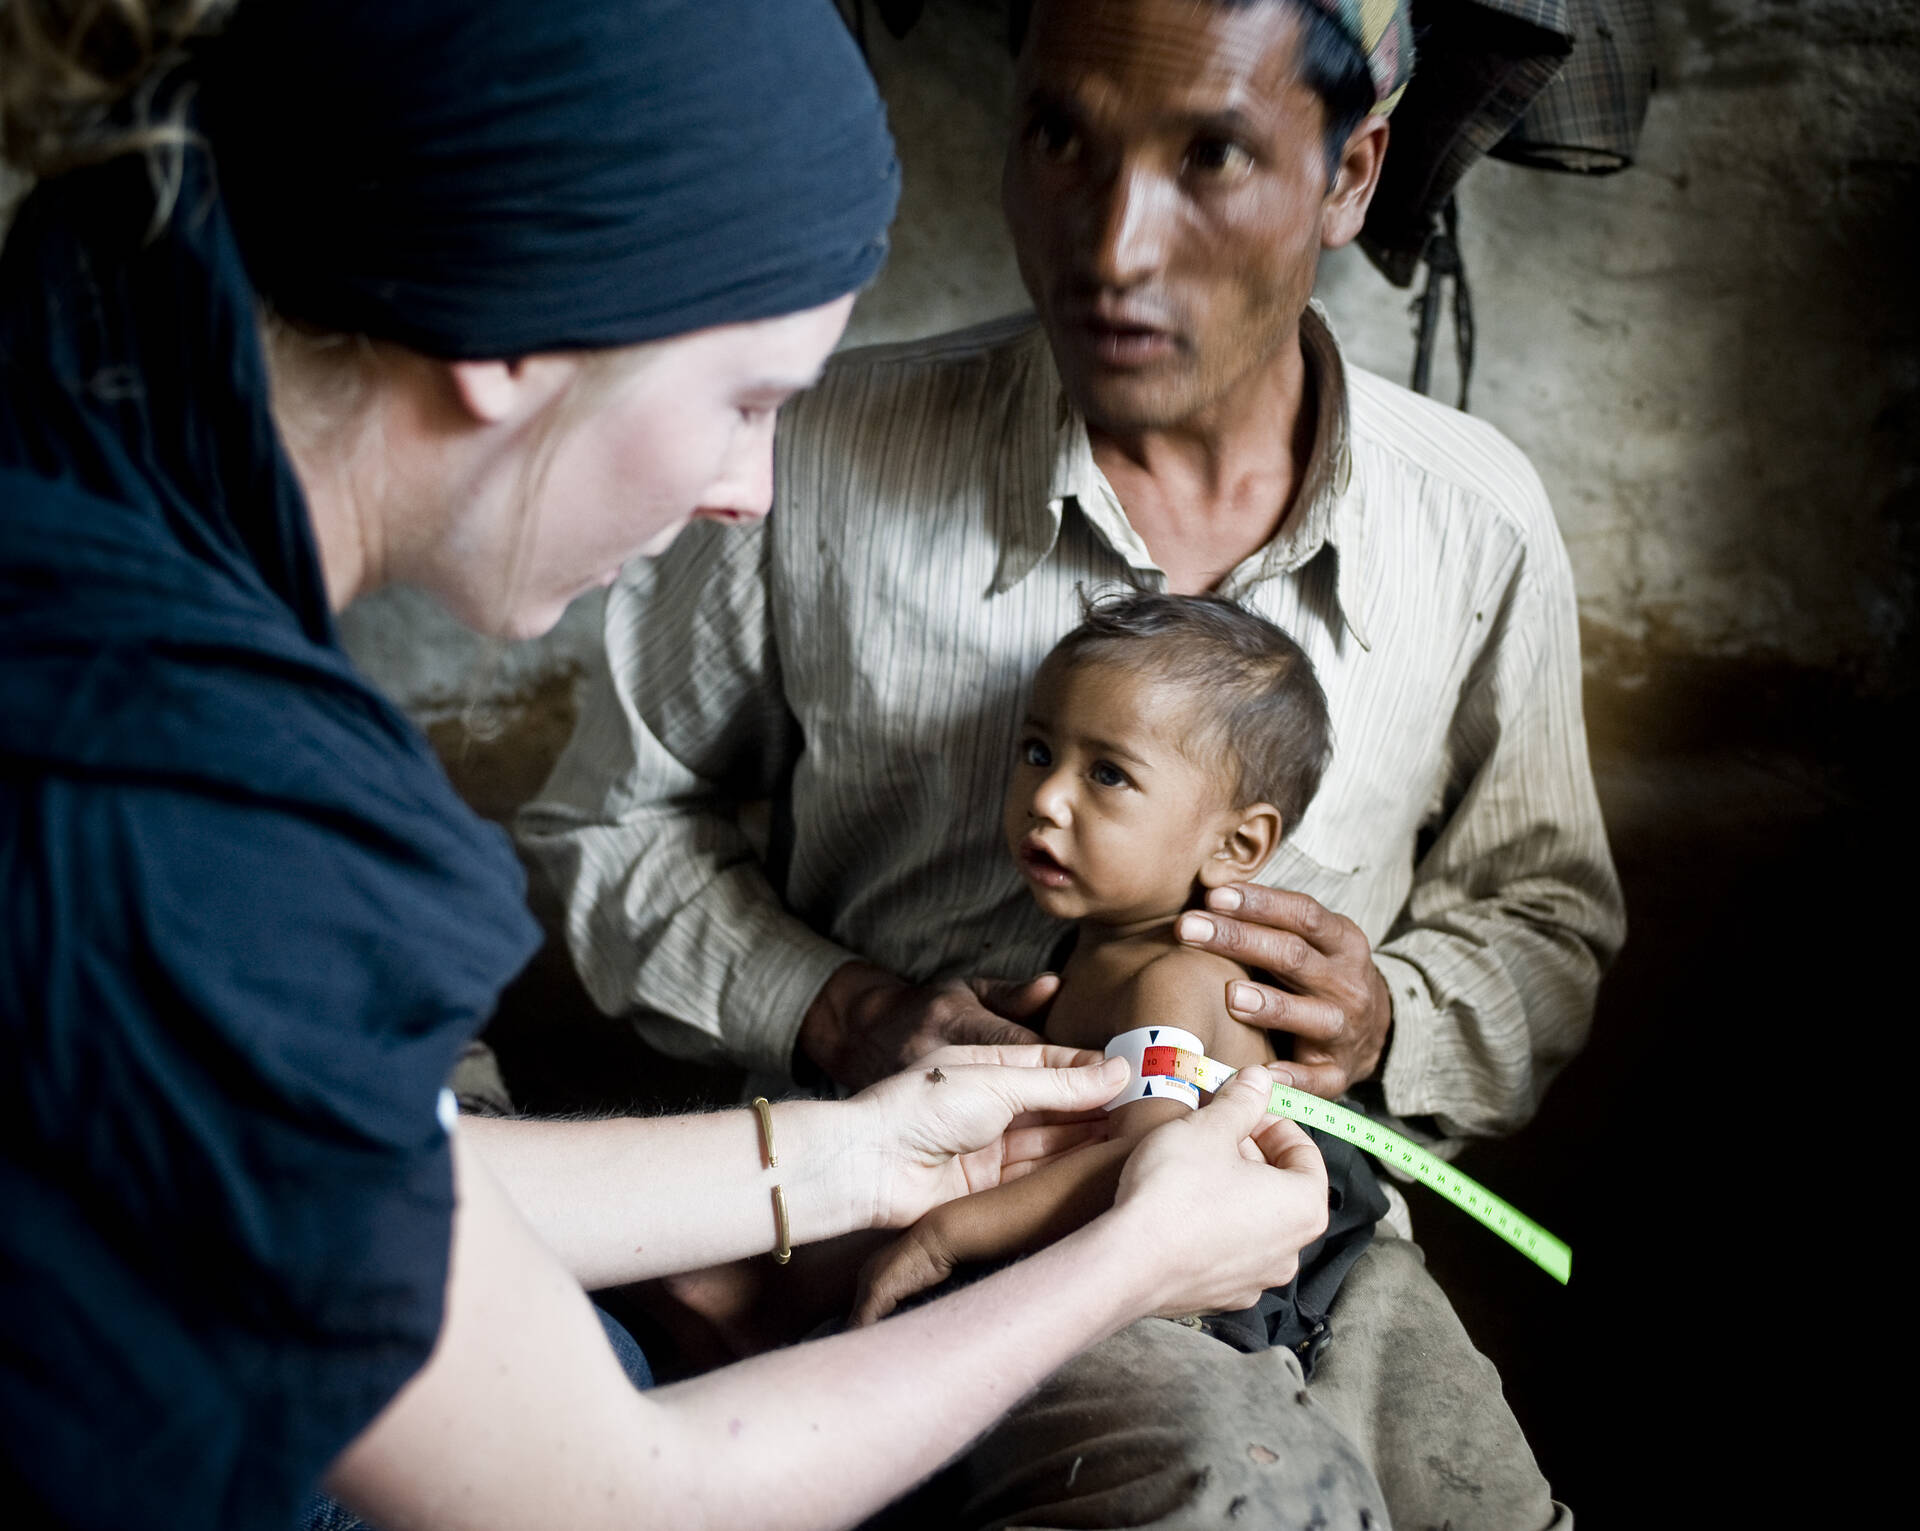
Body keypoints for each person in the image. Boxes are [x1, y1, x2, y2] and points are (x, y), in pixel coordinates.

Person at [0, 4, 1346, 1529]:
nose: (748, 490)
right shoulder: (179, 810)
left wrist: (861, 1157)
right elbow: (618, 1493)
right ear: (516, 338)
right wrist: (1133, 1256)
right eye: (746, 402)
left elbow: (368, 1177)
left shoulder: (90, 518)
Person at [522, 0, 1627, 1524]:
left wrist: (1384, 1021)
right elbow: (612, 823)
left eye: (1213, 156)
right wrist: (845, 1012)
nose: (1111, 248)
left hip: (1320, 1222)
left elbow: (1544, 917)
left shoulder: (1477, 522)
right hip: (922, 1201)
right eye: (1061, 138)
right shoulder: (810, 450)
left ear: (1354, 172)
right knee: (1223, 1496)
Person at [852, 593, 1391, 1351]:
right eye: (1038, 751)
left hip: (1214, 1302)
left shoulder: (1174, 980)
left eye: (1107, 773)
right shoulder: (1093, 952)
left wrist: (947, 1233)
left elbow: (1150, 1175)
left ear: (1237, 845)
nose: (1045, 798)